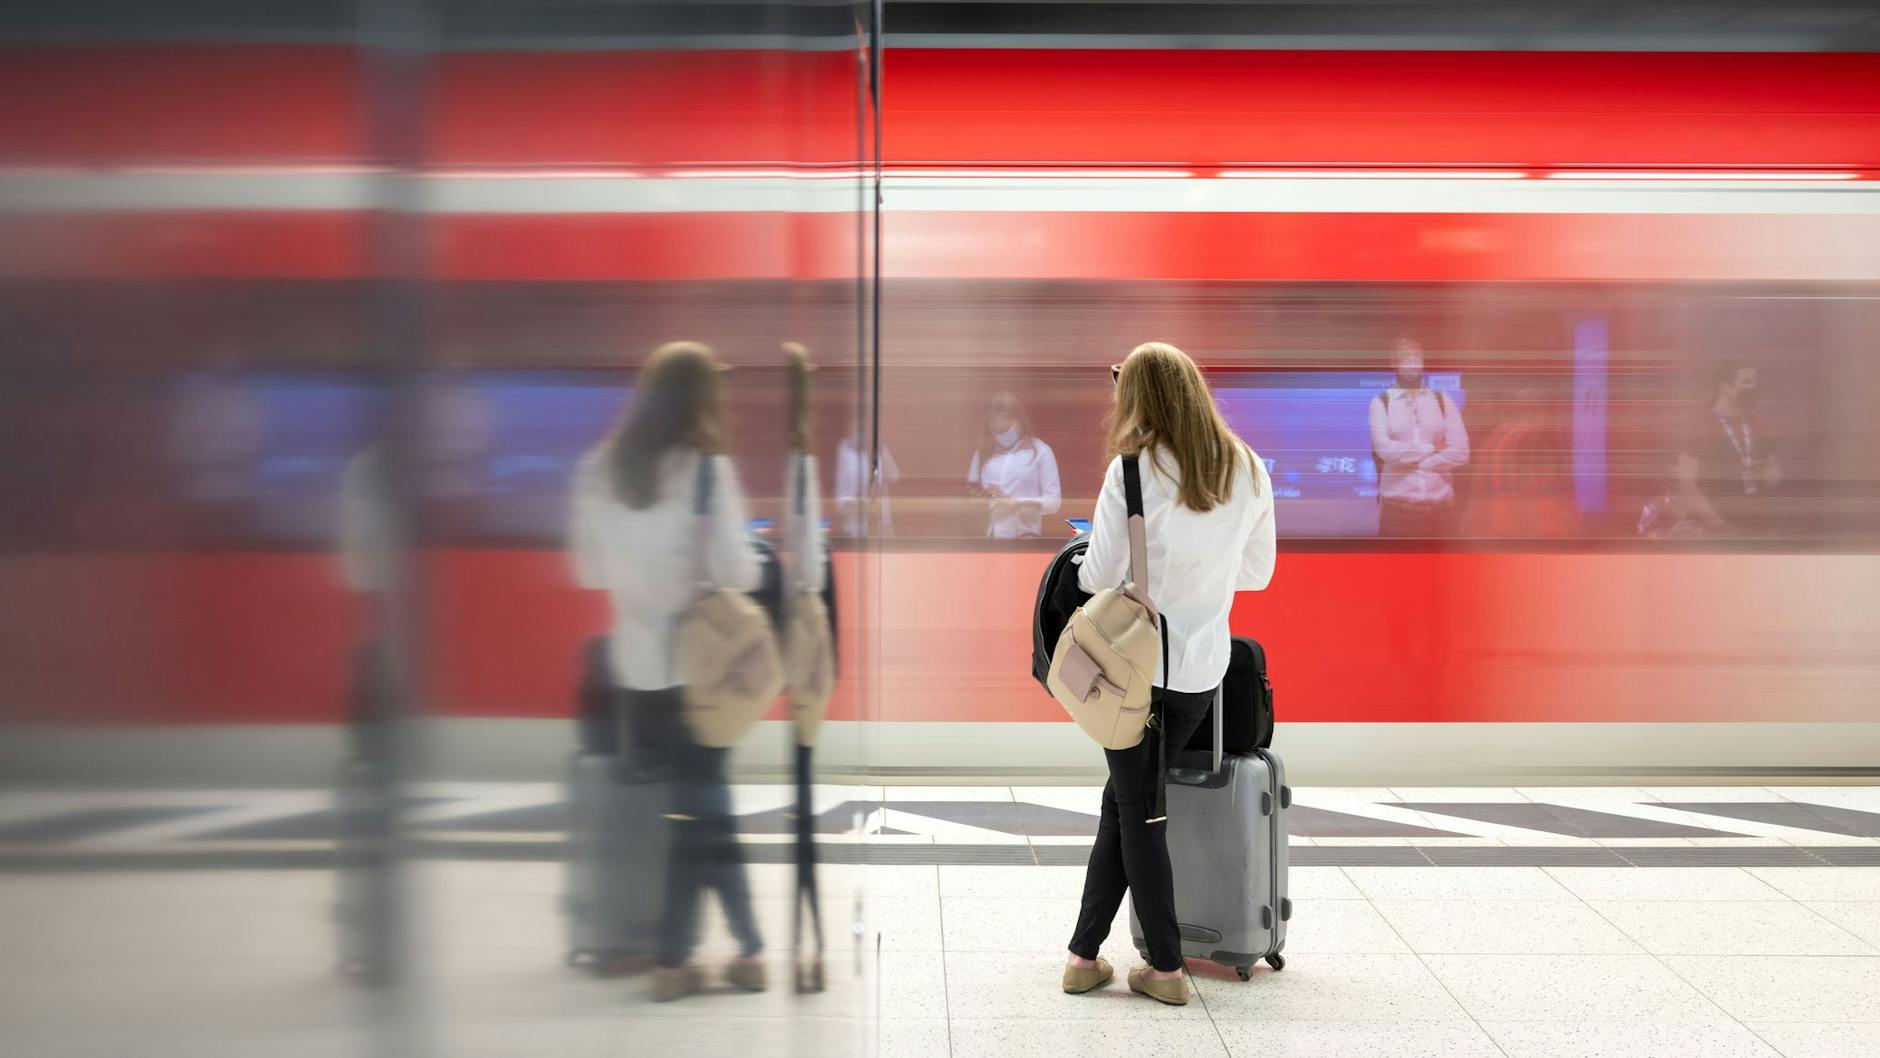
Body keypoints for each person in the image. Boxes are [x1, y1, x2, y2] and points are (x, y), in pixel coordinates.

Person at [1062, 342, 1276, 1006]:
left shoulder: (1131, 472)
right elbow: (1258, 573)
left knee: (1141, 812)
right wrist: (1200, 580)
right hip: (1198, 674)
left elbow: (1096, 576)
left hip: (1132, 675)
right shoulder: (1245, 467)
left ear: (1139, 399)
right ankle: (1082, 954)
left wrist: (1087, 566)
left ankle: (1164, 968)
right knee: (1124, 802)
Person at [569, 340, 767, 1002]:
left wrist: (637, 578)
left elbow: (587, 569)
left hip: (637, 669)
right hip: (701, 671)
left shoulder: (601, 469)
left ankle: (738, 947)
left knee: (690, 807)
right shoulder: (706, 472)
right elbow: (738, 570)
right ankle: (686, 957)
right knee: (702, 806)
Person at [1369, 338, 1469, 537]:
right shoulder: (1382, 402)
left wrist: (1416, 463)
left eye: (1418, 356)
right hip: (1399, 516)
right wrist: (1431, 448)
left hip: (1443, 516)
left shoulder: (1442, 400)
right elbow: (1385, 450)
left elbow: (1461, 452)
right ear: (1394, 363)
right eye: (1407, 357)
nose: (1413, 361)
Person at [1676, 359, 1780, 535]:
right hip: (1719, 525)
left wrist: (1762, 473)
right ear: (1725, 386)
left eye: (1755, 382)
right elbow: (1686, 484)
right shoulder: (1700, 425)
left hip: (1761, 524)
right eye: (1747, 382)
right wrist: (1718, 525)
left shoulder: (1758, 424)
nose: (1753, 388)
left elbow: (1775, 476)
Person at [966, 391, 1061, 538]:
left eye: (1004, 429)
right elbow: (973, 498)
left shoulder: (1041, 452)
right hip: (991, 540)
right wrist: (979, 501)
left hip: (1025, 540)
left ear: (1019, 422)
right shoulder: (982, 454)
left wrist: (1015, 503)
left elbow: (1054, 503)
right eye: (995, 430)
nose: (1000, 434)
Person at [834, 431, 898, 537]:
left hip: (878, 521)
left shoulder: (879, 451)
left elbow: (894, 476)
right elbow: (842, 491)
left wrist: (885, 454)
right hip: (855, 520)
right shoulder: (846, 450)